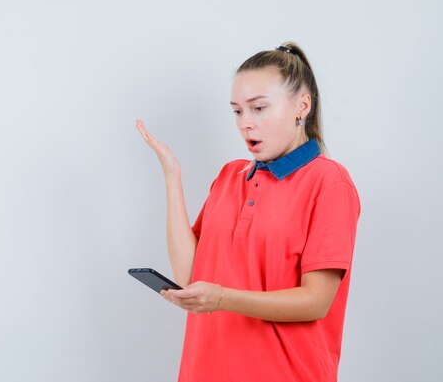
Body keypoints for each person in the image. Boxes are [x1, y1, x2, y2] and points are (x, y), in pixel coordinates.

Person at [136, 42, 360, 382]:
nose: (245, 123)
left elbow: (316, 301)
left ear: (302, 106)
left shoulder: (328, 181)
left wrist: (222, 298)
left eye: (259, 108)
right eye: (237, 111)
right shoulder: (230, 177)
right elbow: (189, 276)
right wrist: (172, 177)